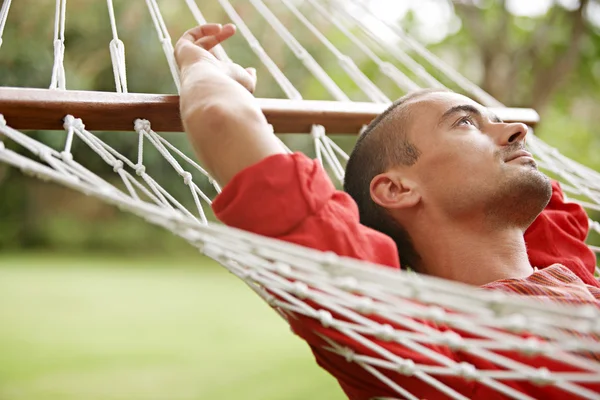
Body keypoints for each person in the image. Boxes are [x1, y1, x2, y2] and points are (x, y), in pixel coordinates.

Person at [175, 23, 599, 399]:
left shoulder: (570, 273)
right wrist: (201, 66)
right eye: (466, 123)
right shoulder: (428, 346)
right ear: (397, 188)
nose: (516, 130)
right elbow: (220, 117)